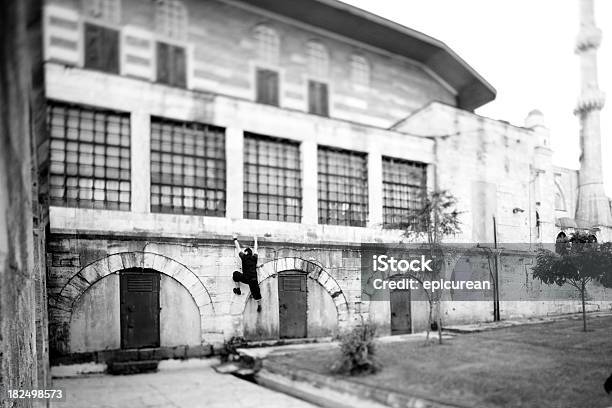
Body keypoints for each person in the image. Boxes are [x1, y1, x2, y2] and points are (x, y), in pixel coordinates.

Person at [232, 235, 262, 312]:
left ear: (246, 252)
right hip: (253, 279)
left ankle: (238, 289)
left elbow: (238, 248)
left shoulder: (244, 257)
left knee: (235, 274)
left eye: (244, 252)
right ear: (251, 253)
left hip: (246, 278)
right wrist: (255, 239)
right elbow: (256, 249)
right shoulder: (254, 258)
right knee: (256, 291)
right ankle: (259, 305)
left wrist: (235, 239)